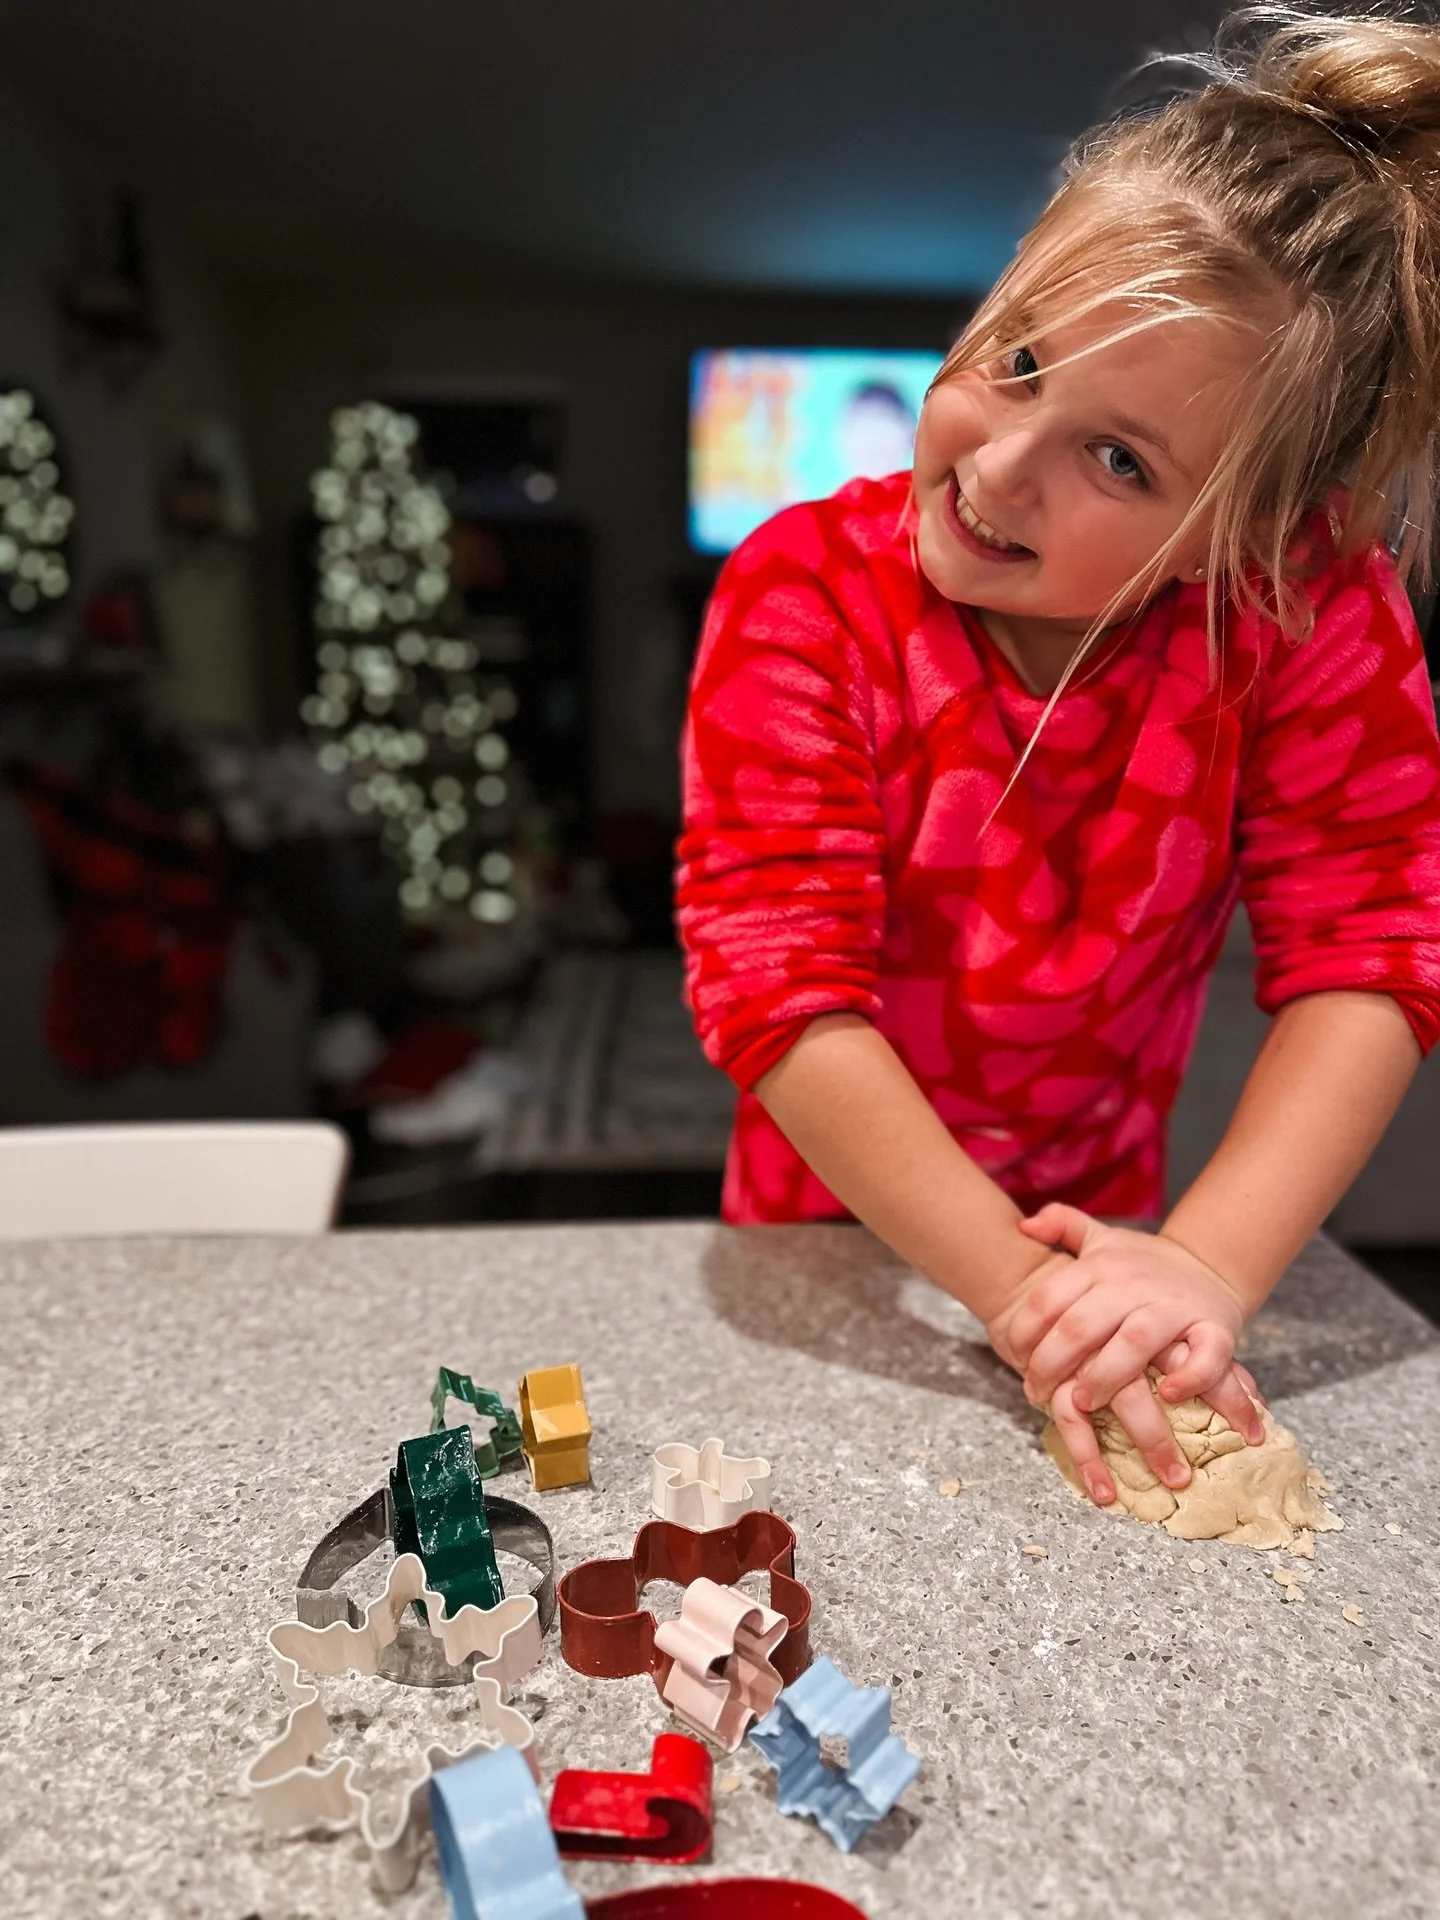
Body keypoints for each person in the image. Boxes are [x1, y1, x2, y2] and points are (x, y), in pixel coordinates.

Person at [676, 4, 1440, 1508]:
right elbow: (777, 988)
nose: (994, 466)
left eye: (1119, 460)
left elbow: (1376, 947)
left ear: (1245, 538)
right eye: (1016, 358)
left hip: (1116, 1234)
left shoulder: (1297, 615)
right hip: (825, 1237)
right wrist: (1021, 1302)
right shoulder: (804, 593)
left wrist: (1204, 1267)